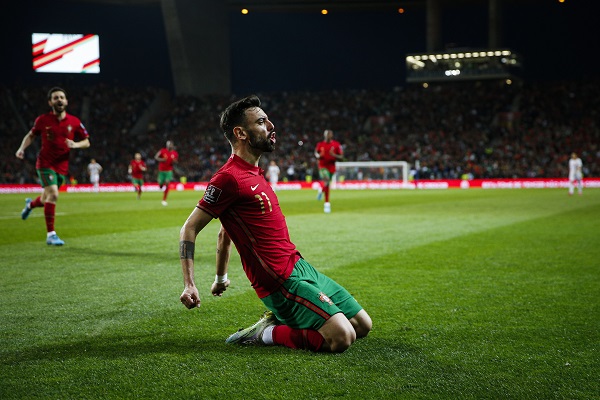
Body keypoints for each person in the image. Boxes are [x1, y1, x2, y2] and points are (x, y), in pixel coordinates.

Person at [179, 95, 372, 353]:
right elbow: (189, 228)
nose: (271, 126)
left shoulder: (255, 173)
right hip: (279, 280)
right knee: (341, 338)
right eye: (261, 122)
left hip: (299, 266)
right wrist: (190, 283)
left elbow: (226, 233)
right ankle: (265, 333)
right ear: (240, 133)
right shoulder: (228, 178)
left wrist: (221, 278)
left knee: (362, 325)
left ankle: (284, 321)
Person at [15, 86, 90, 246]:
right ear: (50, 102)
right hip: (45, 163)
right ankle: (51, 234)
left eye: (62, 97)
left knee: (45, 198)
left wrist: (75, 144)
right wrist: (22, 148)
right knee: (54, 194)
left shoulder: (74, 121)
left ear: (66, 101)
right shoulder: (43, 120)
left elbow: (87, 141)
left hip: (62, 166)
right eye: (55, 98)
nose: (59, 100)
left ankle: (30, 205)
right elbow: (31, 135)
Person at [314, 129, 344, 213]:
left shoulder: (336, 145)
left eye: (329, 134)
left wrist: (333, 155)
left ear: (331, 135)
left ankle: (321, 190)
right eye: (326, 134)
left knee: (327, 184)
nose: (327, 136)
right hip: (322, 166)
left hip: (331, 167)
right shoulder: (320, 144)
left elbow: (341, 157)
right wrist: (319, 156)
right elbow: (316, 153)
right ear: (324, 135)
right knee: (326, 180)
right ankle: (327, 204)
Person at [154, 140, 178, 206]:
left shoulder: (175, 153)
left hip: (169, 171)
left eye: (171, 144)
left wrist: (174, 161)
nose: (170, 146)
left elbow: (176, 161)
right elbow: (156, 157)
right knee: (161, 185)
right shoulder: (162, 151)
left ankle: (164, 199)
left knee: (167, 183)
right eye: (169, 144)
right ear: (167, 145)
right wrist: (162, 159)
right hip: (161, 171)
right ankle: (161, 185)